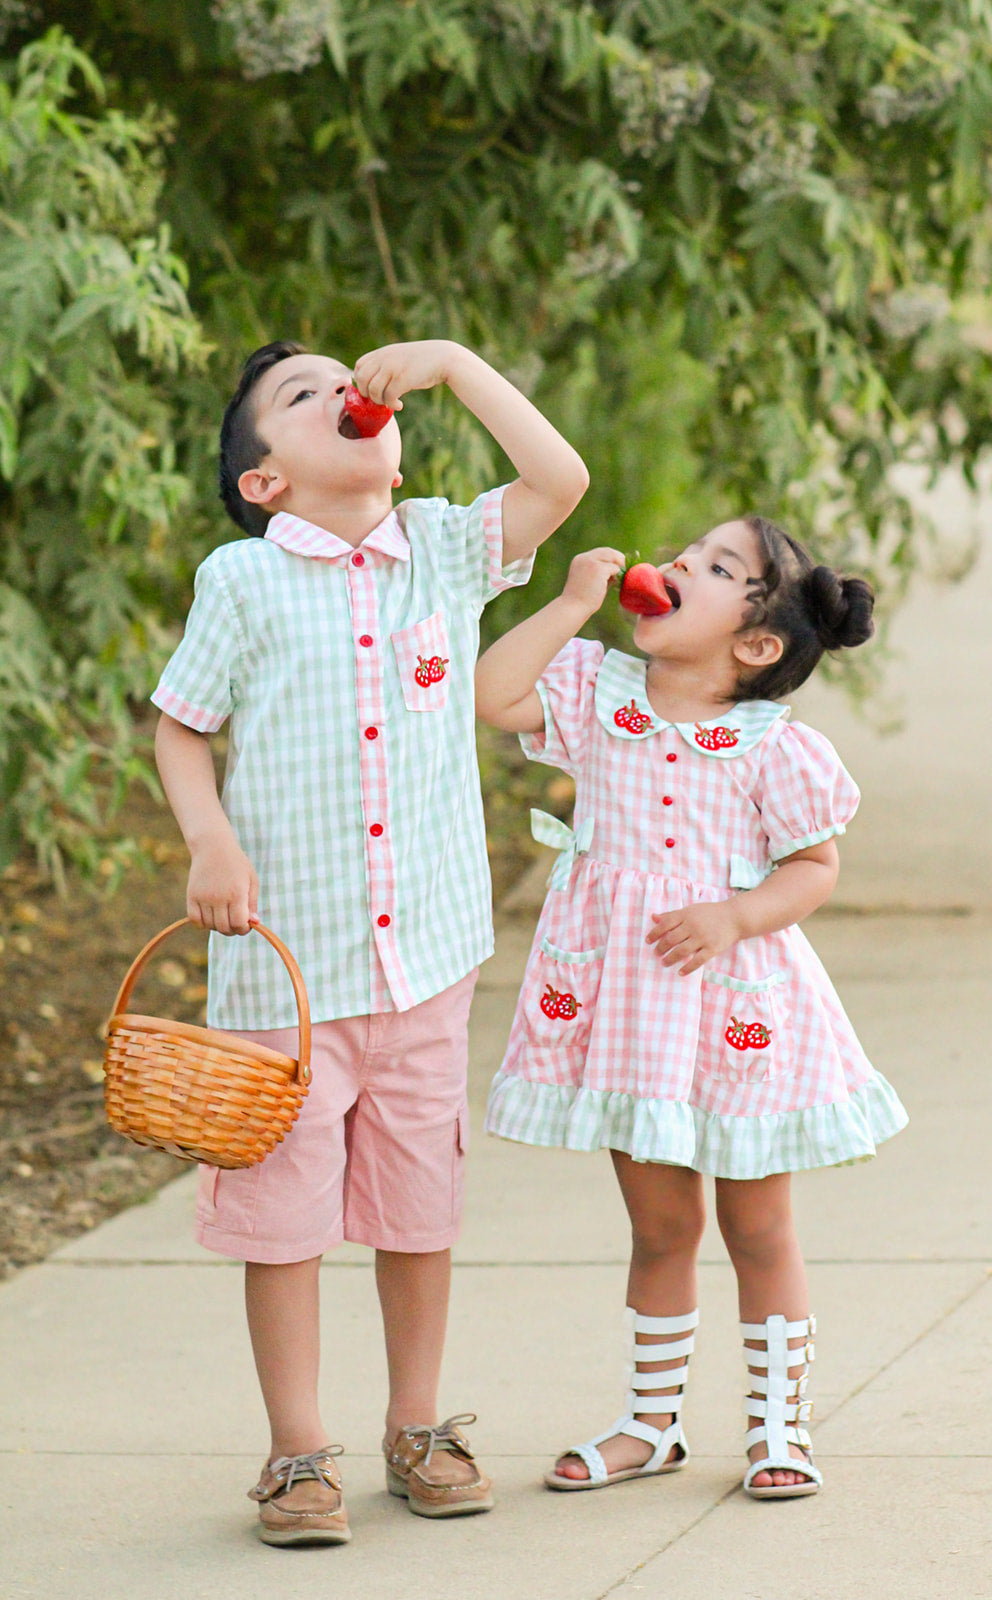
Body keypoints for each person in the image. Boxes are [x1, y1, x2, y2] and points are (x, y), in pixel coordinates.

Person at [151, 338, 588, 1544]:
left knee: (417, 1208)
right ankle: (296, 1453)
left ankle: (418, 1422)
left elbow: (558, 479)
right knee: (281, 1222)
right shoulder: (239, 583)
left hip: (425, 964)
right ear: (265, 482)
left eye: (349, 381)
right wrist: (209, 843)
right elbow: (182, 730)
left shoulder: (443, 551)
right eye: (299, 395)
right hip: (284, 976)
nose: (342, 391)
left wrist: (453, 362)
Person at [476, 518, 907, 1499]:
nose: (675, 565)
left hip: (733, 1013)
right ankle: (650, 1422)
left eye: (716, 568)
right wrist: (568, 603)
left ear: (754, 645)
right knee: (660, 1226)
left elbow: (812, 866)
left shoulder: (774, 748)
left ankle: (777, 1428)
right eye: (686, 551)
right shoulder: (594, 695)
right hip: (629, 1010)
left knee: (757, 1227)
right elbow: (492, 694)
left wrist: (735, 913)